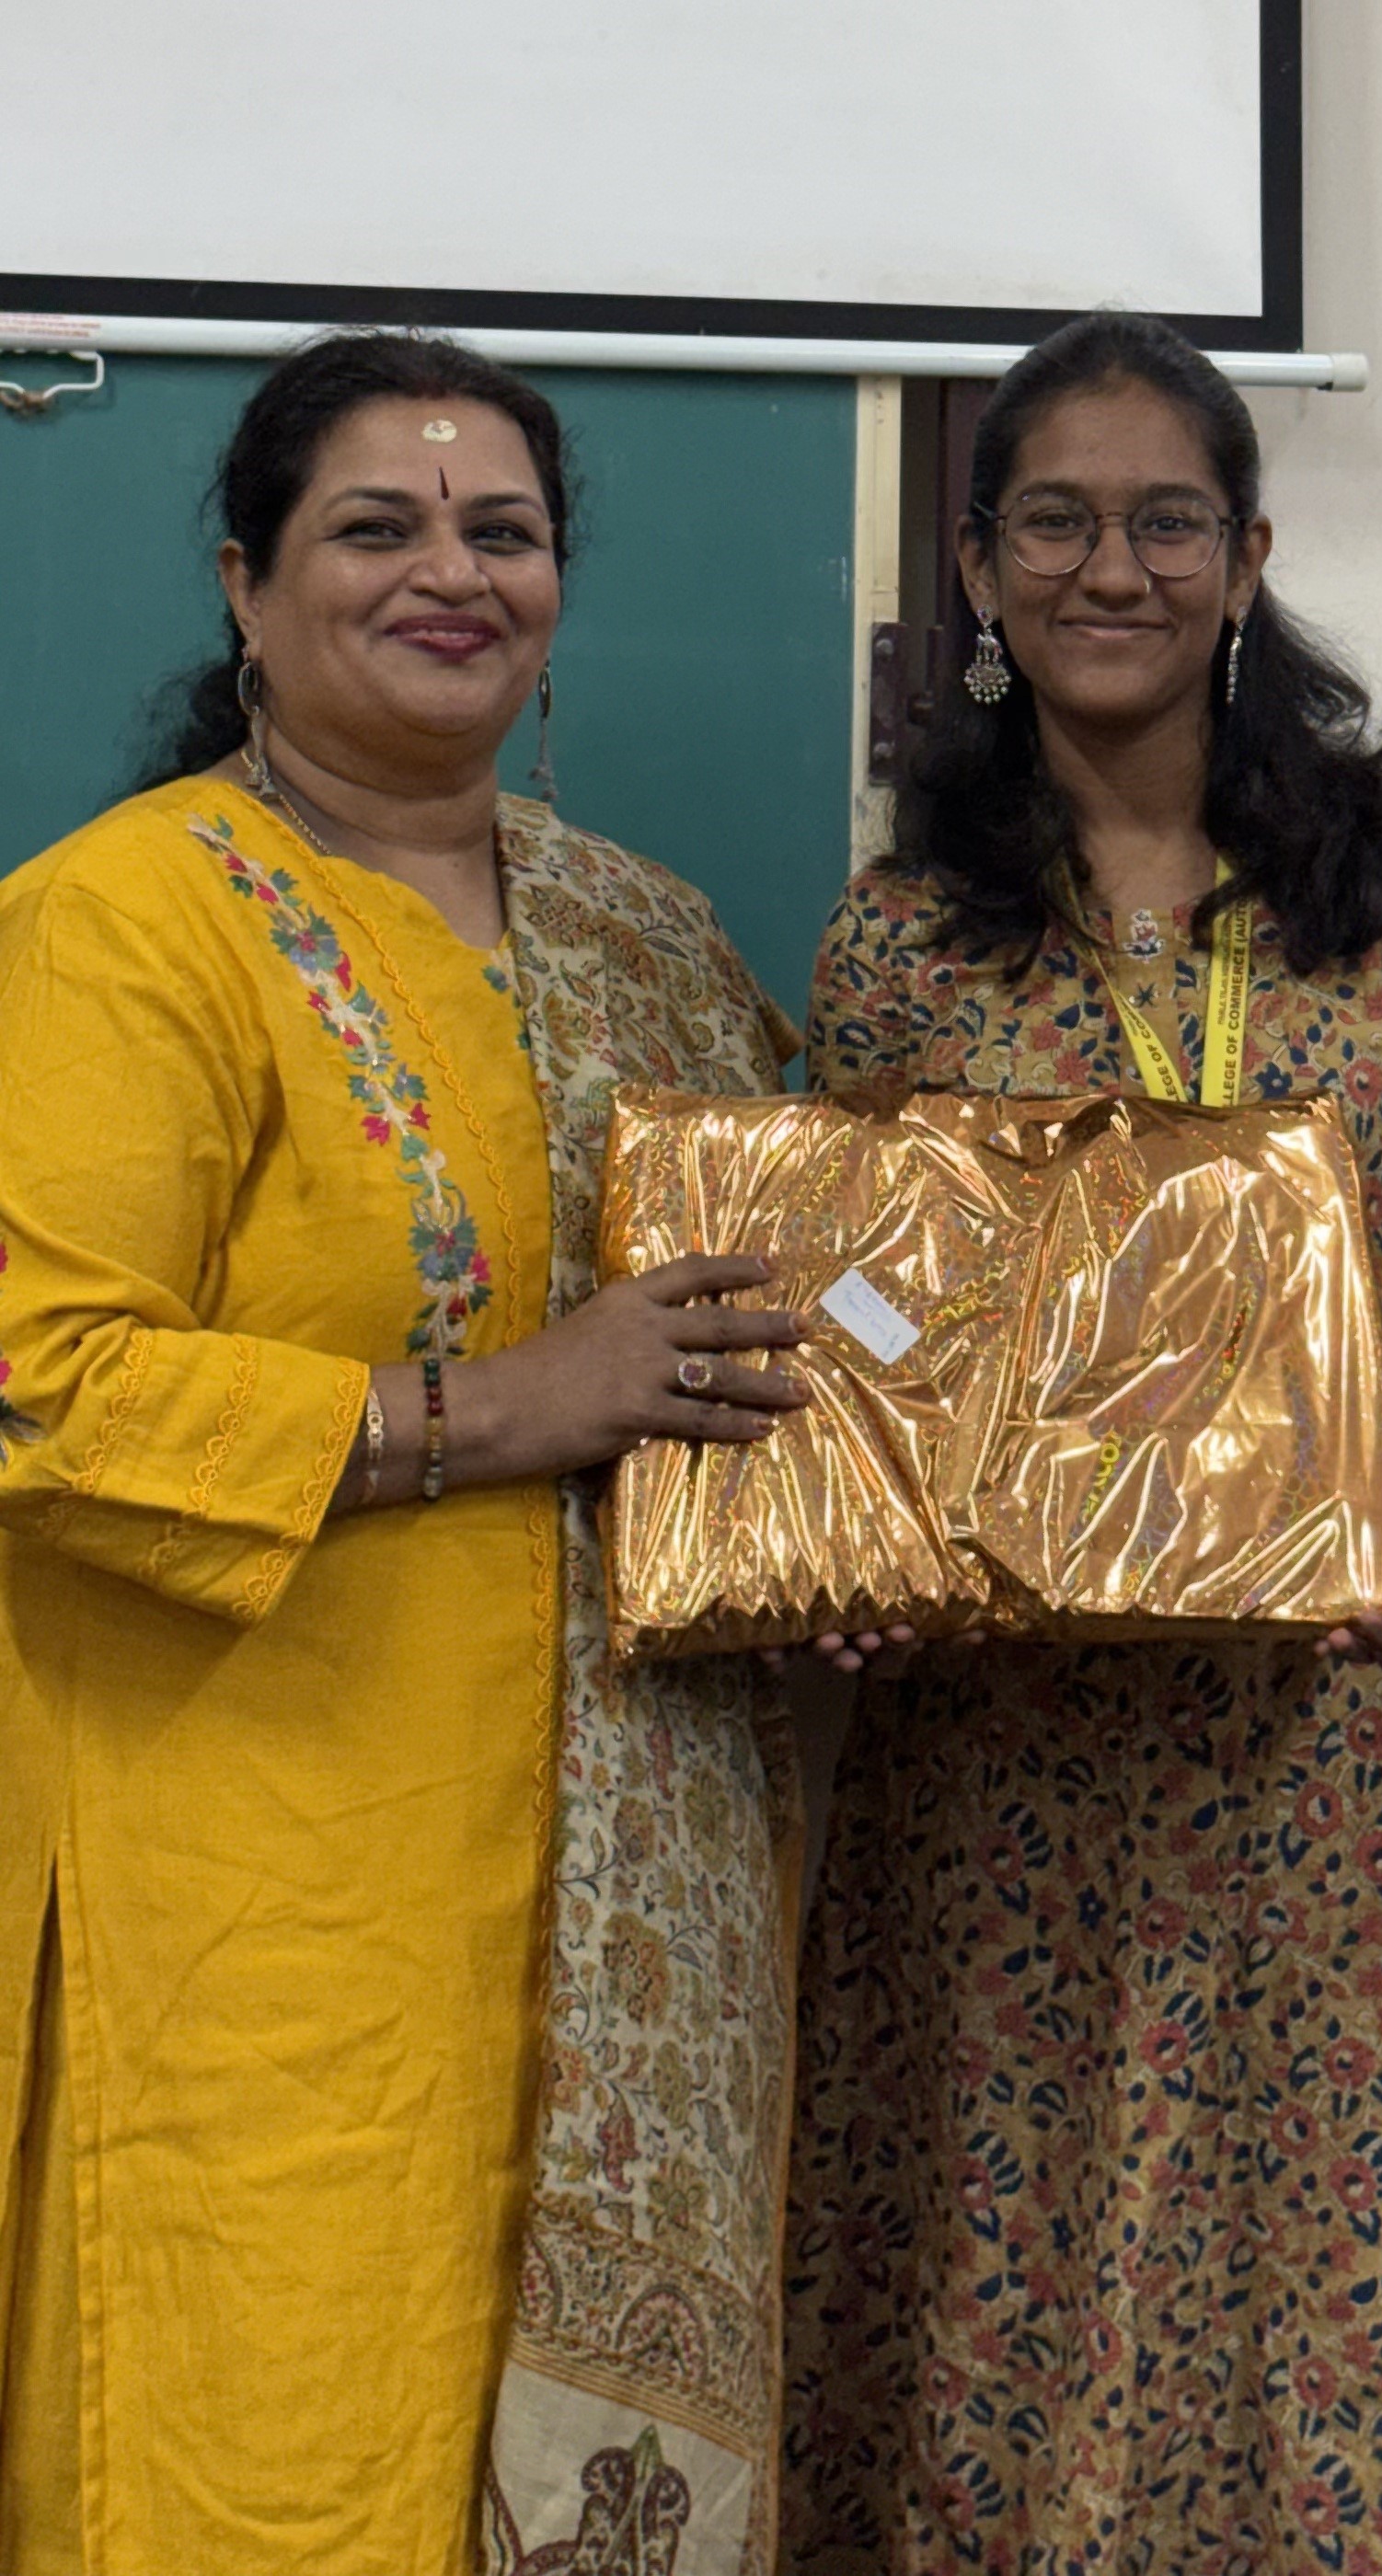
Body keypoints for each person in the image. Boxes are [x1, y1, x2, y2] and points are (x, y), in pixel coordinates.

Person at [0, 331, 816, 2574]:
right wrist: (500, 1404)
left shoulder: (648, 933)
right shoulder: (129, 920)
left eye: (503, 531)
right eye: (377, 525)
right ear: (246, 585)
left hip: (627, 1934)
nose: (451, 571)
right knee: (273, 2466)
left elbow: (786, 1320)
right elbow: (37, 1382)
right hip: (265, 1915)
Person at [781, 312, 1382, 2571]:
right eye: (1054, 520)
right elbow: (867, 1310)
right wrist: (851, 1517)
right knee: (1018, 2290)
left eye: (1164, 522)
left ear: (1248, 557)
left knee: (1346, 2293)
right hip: (1017, 1751)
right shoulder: (904, 935)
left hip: (1352, 1727)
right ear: (975, 565)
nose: (1109, 568)